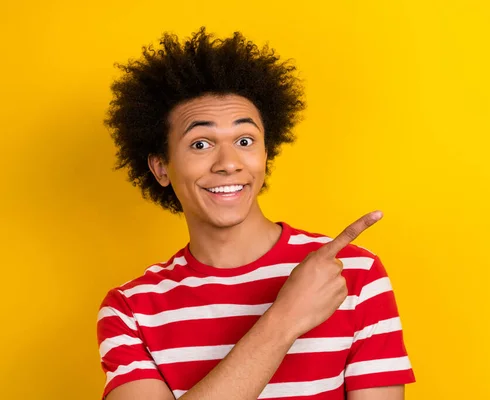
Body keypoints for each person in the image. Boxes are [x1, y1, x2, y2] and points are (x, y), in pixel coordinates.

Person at [97, 27, 416, 400]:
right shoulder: (131, 310)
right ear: (161, 168)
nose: (229, 163)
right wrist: (285, 320)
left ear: (266, 153)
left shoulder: (351, 275)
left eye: (245, 141)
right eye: (200, 143)